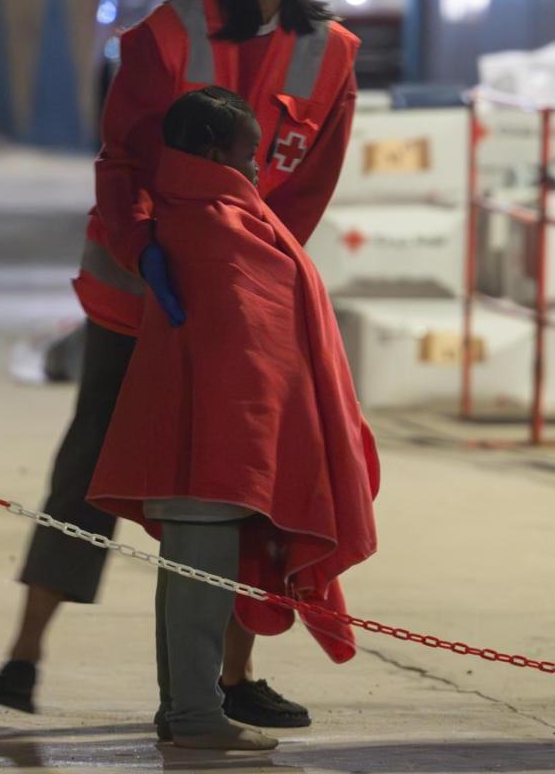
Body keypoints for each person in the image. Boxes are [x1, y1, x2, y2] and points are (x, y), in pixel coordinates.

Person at [0, 0, 361, 731]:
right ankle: (24, 653)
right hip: (143, 291)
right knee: (94, 463)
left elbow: (308, 189)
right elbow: (121, 166)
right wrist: (149, 251)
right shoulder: (162, 38)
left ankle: (235, 675)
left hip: (245, 306)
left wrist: (257, 277)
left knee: (247, 480)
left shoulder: (331, 54)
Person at [87, 86, 378, 751]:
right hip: (214, 448)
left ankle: (181, 709)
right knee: (200, 588)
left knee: (185, 584)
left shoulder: (190, 215)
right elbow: (251, 352)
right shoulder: (219, 226)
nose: (256, 168)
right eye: (249, 155)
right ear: (215, 153)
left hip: (192, 442)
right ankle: (195, 716)